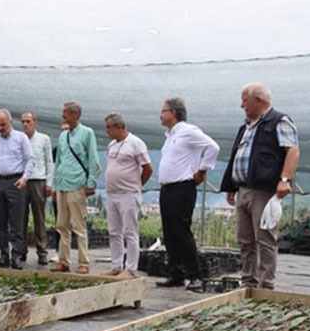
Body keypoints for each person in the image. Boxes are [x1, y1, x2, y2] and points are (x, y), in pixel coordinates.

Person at [221, 82, 300, 290]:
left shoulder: (278, 121)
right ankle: (248, 282)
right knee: (245, 239)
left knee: (264, 238)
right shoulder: (246, 127)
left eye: (244, 100)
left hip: (263, 190)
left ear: (259, 100)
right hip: (244, 189)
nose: (242, 105)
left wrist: (284, 180)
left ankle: (266, 285)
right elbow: (236, 157)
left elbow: (292, 151)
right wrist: (231, 184)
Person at [156, 97, 220, 292]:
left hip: (182, 187)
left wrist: (202, 170)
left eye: (164, 110)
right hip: (167, 188)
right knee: (169, 232)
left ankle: (195, 276)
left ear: (173, 113)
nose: (161, 114)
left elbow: (213, 147)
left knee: (182, 232)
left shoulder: (188, 131)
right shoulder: (170, 136)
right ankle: (176, 273)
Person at [0, 109, 34, 269]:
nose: (1, 128)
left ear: (10, 122)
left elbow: (29, 159)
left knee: (17, 223)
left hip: (15, 182)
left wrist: (25, 178)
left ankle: (16, 256)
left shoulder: (21, 138)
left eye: (3, 124)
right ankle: (3, 255)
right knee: (0, 222)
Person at [50, 101, 99, 274]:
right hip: (62, 184)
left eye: (66, 113)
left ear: (75, 115)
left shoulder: (87, 133)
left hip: (77, 184)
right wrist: (54, 185)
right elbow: (59, 161)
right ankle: (63, 261)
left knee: (78, 225)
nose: (63, 116)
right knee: (62, 224)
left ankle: (83, 262)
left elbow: (93, 159)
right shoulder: (63, 136)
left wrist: (91, 183)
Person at [103, 112, 153, 277]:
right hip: (112, 193)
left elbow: (148, 168)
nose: (107, 131)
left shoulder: (136, 143)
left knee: (129, 231)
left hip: (128, 194)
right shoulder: (112, 145)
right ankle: (116, 265)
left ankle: (131, 268)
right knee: (114, 231)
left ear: (119, 127)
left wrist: (137, 185)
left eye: (109, 128)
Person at [20, 112, 54, 266]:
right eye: (23, 122)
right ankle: (21, 250)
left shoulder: (44, 139)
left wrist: (49, 183)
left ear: (35, 122)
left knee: (39, 218)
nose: (26, 124)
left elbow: (49, 162)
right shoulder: (19, 138)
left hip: (38, 181)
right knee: (20, 218)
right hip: (22, 181)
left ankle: (42, 251)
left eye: (28, 121)